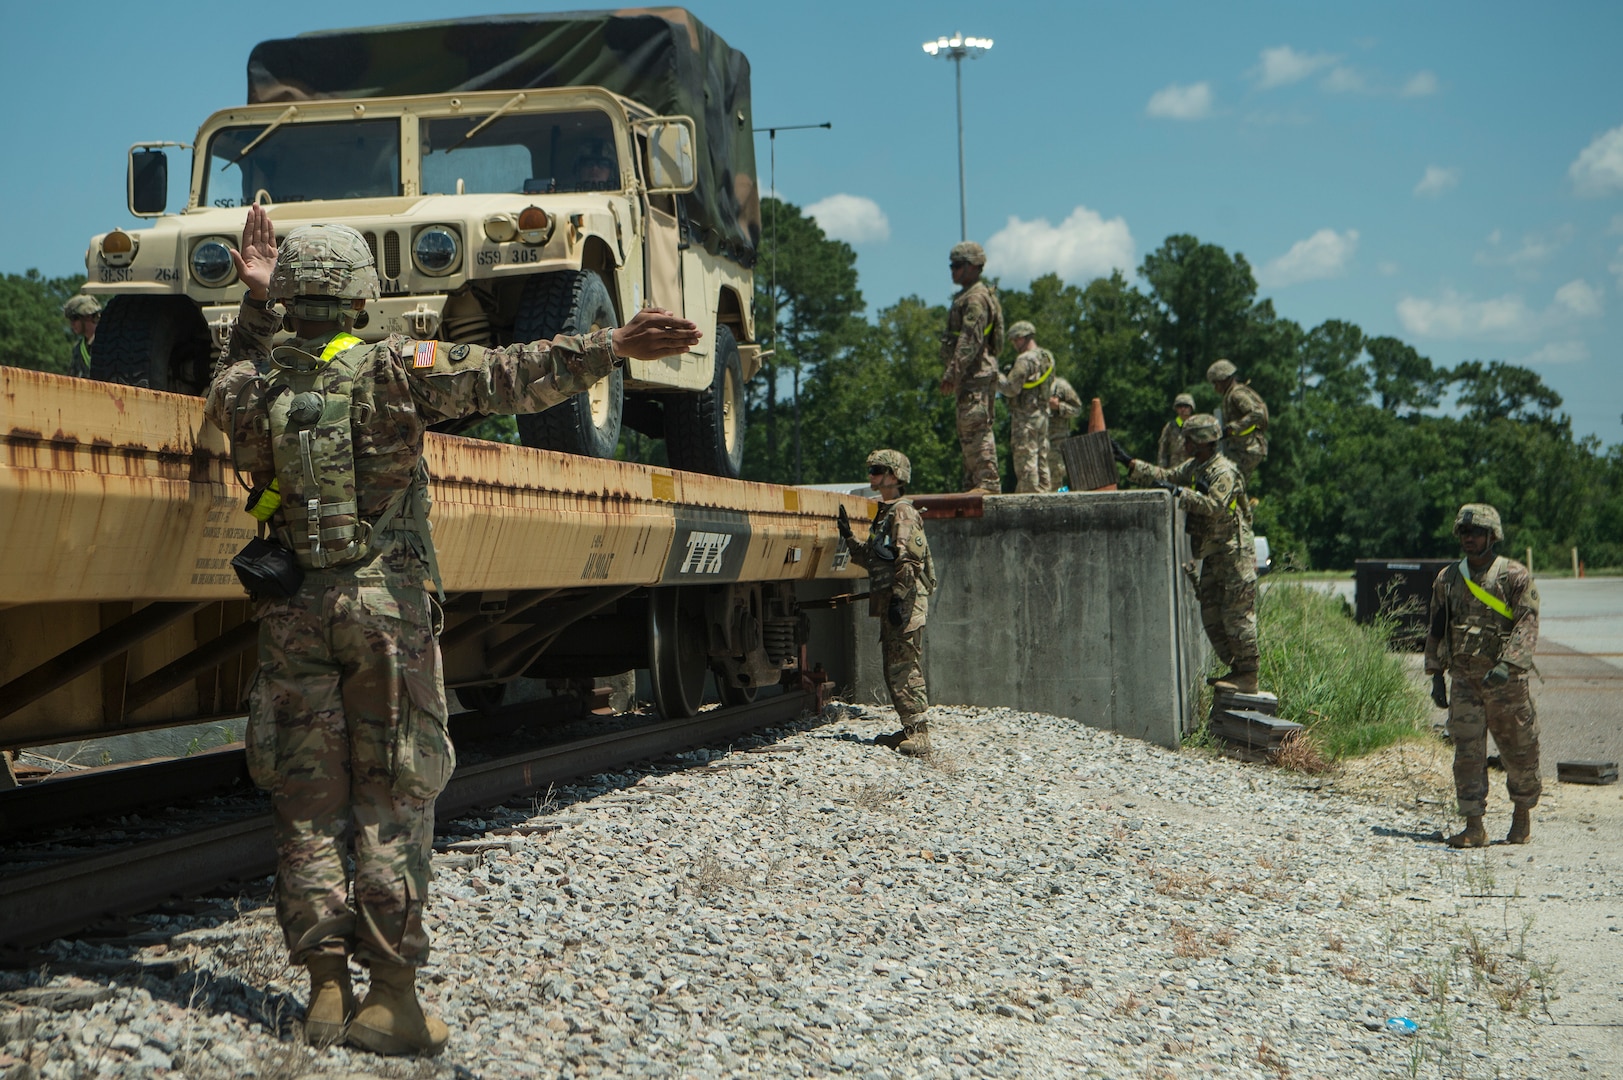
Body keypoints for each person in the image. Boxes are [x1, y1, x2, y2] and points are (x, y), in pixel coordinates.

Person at [204, 205, 700, 1055]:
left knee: (306, 796)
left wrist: (256, 304)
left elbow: (226, 385)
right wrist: (612, 346)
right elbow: (510, 376)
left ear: (287, 296)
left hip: (291, 611)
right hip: (386, 611)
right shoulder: (399, 368)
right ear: (363, 296)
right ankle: (390, 999)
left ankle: (324, 989)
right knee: (395, 796)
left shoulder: (251, 389)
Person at [1114, 415, 1259, 693]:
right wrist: (1130, 463)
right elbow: (1167, 477)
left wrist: (1180, 493)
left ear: (1202, 441)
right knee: (1212, 613)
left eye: (1190, 439)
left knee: (1237, 615)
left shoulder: (1222, 471)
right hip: (1215, 552)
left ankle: (1248, 675)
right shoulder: (1197, 467)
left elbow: (1215, 505)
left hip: (1233, 553)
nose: (1185, 443)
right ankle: (1237, 670)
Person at [1424, 504, 1541, 849]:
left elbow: (1527, 624)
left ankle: (1522, 815)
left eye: (1476, 533)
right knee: (1467, 753)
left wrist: (1508, 664)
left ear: (1493, 537)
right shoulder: (1448, 579)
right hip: (1465, 682)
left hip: (1506, 683)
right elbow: (1436, 627)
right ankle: (1474, 826)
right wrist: (1435, 674)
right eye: (1463, 532)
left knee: (1519, 751)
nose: (1469, 538)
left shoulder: (1514, 576)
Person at [838, 449, 936, 756]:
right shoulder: (887, 511)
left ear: (894, 476)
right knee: (894, 665)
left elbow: (909, 560)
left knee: (904, 666)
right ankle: (909, 728)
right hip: (896, 600)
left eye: (877, 470)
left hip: (904, 601)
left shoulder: (903, 512)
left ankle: (919, 735)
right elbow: (875, 559)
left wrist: (897, 599)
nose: (871, 475)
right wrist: (849, 538)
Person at [938, 241, 1005, 493]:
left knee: (976, 425)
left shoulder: (975, 298)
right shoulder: (969, 295)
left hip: (975, 374)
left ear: (974, 267)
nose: (952, 271)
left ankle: (987, 481)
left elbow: (970, 339)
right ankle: (974, 482)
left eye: (957, 265)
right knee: (967, 429)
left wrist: (951, 373)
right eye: (951, 266)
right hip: (970, 375)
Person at [998, 320, 1055, 493]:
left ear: (1024, 337)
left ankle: (1030, 497)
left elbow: (1011, 388)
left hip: (1026, 417)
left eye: (1016, 340)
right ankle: (1045, 493)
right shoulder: (1047, 357)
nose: (1014, 344)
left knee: (1026, 458)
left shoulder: (1024, 359)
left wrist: (996, 376)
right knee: (1041, 457)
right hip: (1042, 415)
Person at [1206, 359, 1268, 482]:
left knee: (1230, 481)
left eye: (1216, 383)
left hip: (1248, 448)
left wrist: (1232, 428)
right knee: (1233, 482)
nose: (1215, 388)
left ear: (1224, 380)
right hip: (1241, 447)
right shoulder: (1230, 394)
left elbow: (1257, 414)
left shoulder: (1236, 394)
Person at [1046, 374, 1082, 490]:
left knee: (1055, 476)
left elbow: (1077, 410)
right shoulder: (1031, 387)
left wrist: (1059, 406)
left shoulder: (1060, 386)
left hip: (1056, 442)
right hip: (1035, 441)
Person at [62, 294, 101, 378]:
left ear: (88, 316)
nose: (71, 324)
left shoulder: (107, 342)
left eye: (74, 318)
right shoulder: (78, 349)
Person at [1156, 393, 1196, 469]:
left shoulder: (1196, 425)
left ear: (1191, 408)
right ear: (1176, 409)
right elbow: (1162, 449)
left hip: (1193, 468)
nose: (1183, 409)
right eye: (1179, 406)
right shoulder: (1170, 427)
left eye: (1186, 406)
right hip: (1175, 469)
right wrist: (1162, 468)